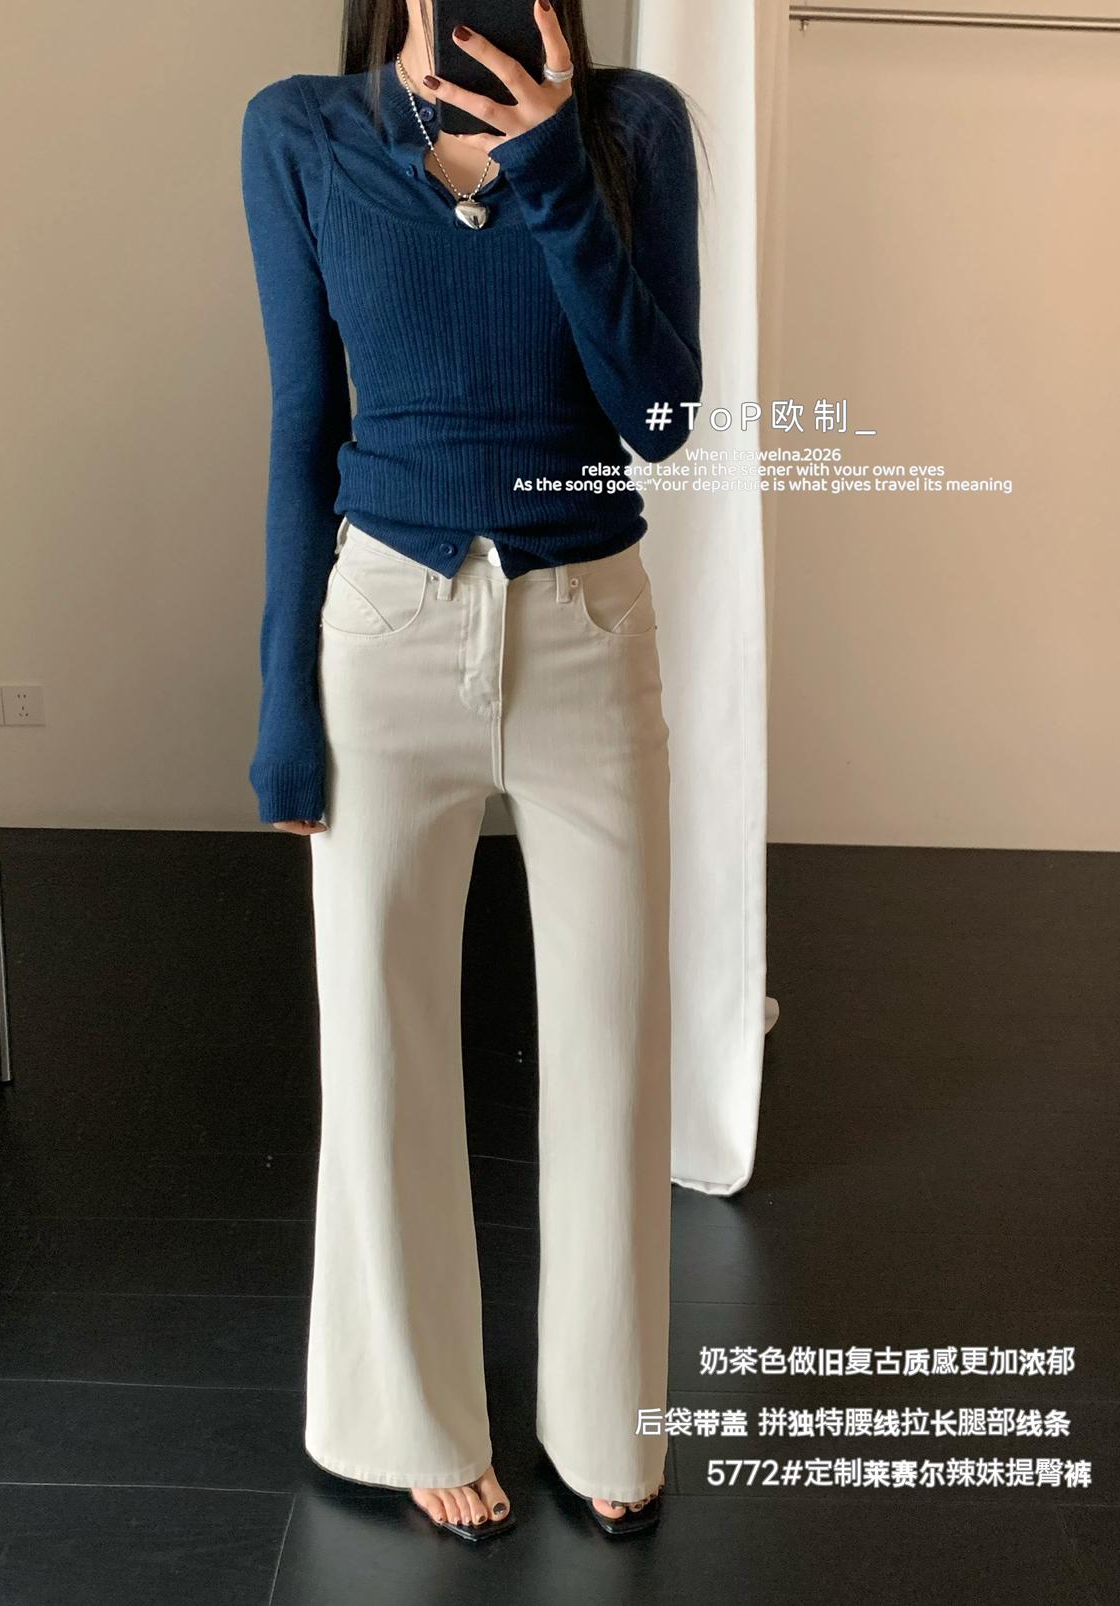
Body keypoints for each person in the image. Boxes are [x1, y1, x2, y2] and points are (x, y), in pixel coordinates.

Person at [240, 0, 702, 1542]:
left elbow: (660, 419)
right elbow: (303, 425)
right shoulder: (302, 131)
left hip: (589, 631)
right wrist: (282, 697)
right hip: (384, 631)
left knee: (616, 1043)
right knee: (378, 1045)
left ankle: (607, 1412)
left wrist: (555, 164)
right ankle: (408, 1413)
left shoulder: (632, 130)